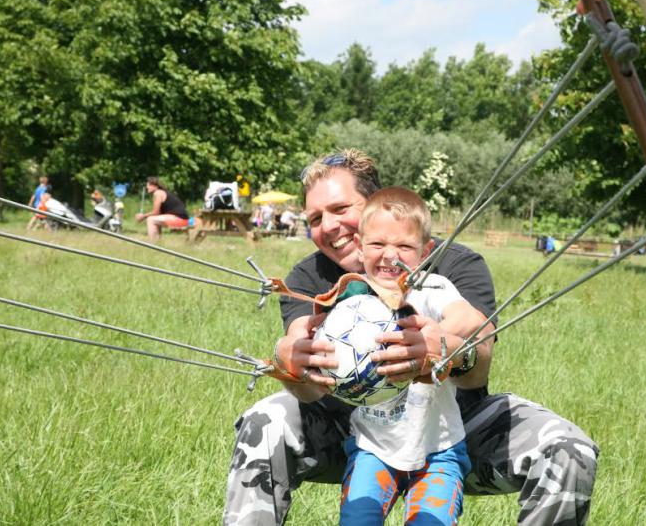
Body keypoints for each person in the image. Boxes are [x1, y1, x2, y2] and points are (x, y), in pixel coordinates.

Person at [224, 149, 598, 526]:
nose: (330, 226)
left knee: (569, 449)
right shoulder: (308, 277)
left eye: (340, 209)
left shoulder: (452, 265)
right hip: (351, 433)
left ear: (377, 204)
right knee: (265, 419)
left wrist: (443, 351)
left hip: (450, 430)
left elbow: (478, 365)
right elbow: (307, 382)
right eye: (316, 218)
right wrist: (289, 360)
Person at [339, 186, 484, 524]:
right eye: (377, 244)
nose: (391, 256)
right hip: (372, 446)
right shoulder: (350, 299)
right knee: (358, 518)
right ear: (359, 247)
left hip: (440, 450)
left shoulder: (432, 288)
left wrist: (442, 335)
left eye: (404, 246)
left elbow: (471, 319)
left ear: (425, 251)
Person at [134, 177, 189, 242]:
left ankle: (152, 243)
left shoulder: (158, 193)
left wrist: (143, 216)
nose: (147, 187)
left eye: (148, 185)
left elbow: (156, 212)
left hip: (180, 219)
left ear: (154, 186)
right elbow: (158, 213)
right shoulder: (161, 192)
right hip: (183, 218)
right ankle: (158, 242)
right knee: (155, 218)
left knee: (150, 219)